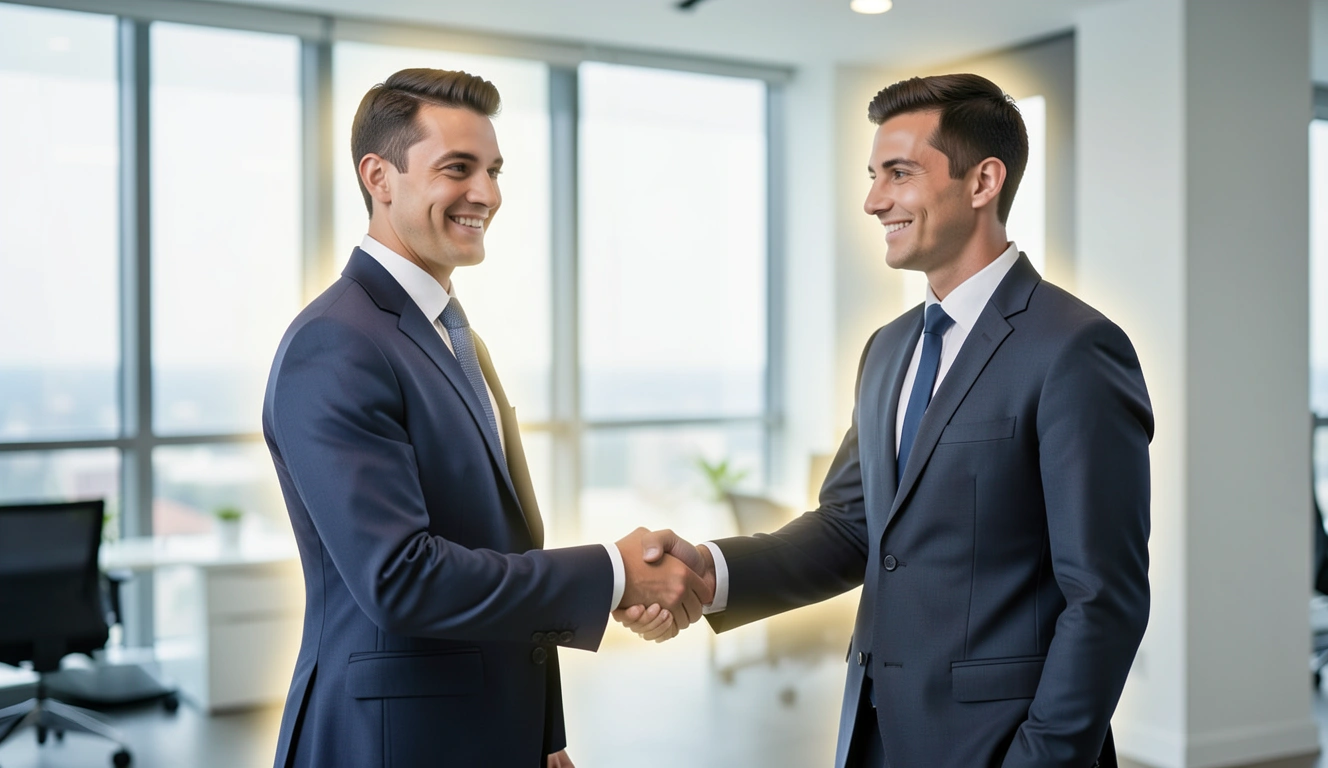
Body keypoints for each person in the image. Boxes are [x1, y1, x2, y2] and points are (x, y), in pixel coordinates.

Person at [621, 73, 1154, 768]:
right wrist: (709, 570)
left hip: (1002, 748)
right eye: (873, 176)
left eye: (898, 174)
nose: (874, 201)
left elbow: (1105, 598)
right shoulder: (889, 348)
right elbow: (852, 528)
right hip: (874, 735)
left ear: (983, 182)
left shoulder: (1075, 349)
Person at [263, 68, 709, 768]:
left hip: (485, 730)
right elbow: (401, 578)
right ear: (379, 177)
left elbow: (503, 548)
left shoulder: (452, 332)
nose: (488, 194)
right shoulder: (337, 342)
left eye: (495, 171)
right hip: (391, 745)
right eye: (458, 169)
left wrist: (542, 734)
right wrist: (614, 575)